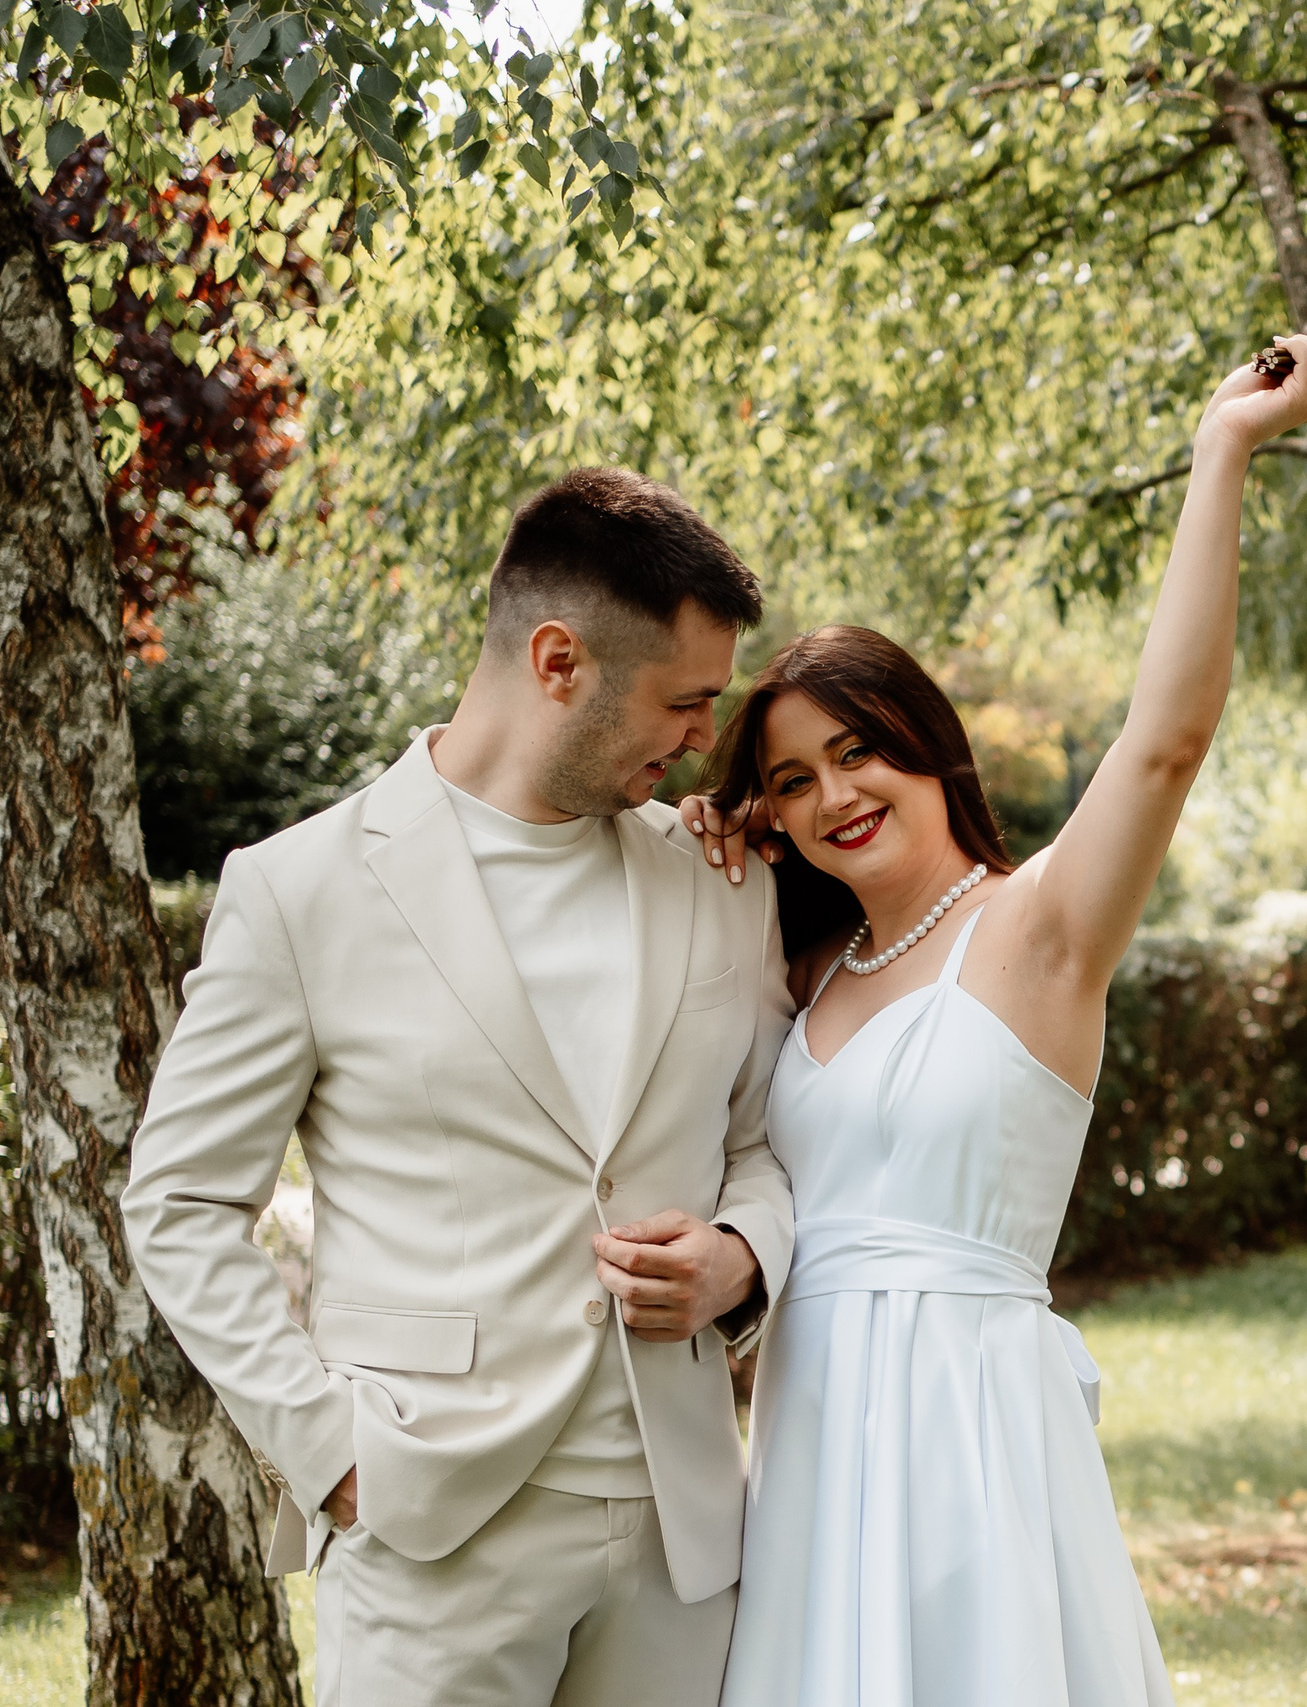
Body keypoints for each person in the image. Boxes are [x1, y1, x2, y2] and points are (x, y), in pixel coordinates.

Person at [684, 333, 1307, 1705]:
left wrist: (1224, 448)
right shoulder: (798, 973)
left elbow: (1166, 735)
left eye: (859, 748)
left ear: (931, 745)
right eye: (794, 778)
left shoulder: (1040, 926)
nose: (835, 795)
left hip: (971, 1433)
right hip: (814, 1443)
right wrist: (700, 835)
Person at [121, 468, 796, 1706]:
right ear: (557, 662)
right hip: (429, 1527)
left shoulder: (721, 879)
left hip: (685, 1534)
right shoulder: (297, 891)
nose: (705, 737)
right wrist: (328, 1455)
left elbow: (759, 1139)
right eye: (684, 701)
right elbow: (176, 1203)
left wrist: (742, 1257)